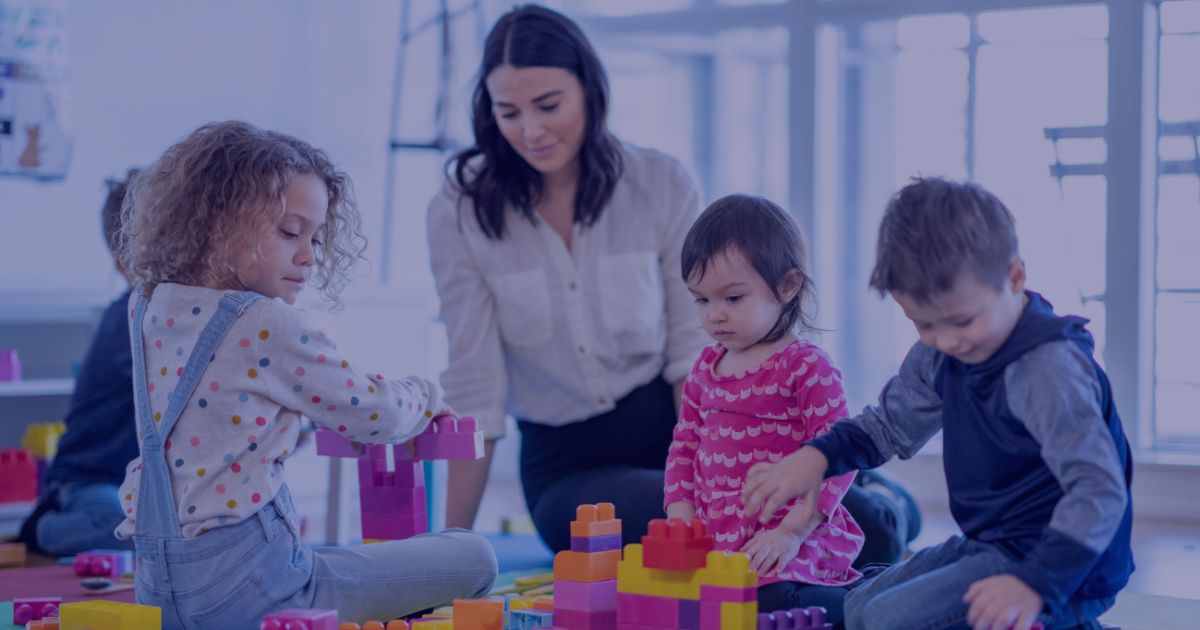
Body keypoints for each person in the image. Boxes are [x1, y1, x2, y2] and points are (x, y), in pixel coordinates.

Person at [428, 3, 918, 561]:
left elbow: (696, 346)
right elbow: (474, 387)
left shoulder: (657, 182)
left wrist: (720, 474)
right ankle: (870, 497)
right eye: (508, 112)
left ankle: (875, 495)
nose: (531, 130)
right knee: (698, 542)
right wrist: (453, 551)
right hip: (571, 468)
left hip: (691, 431)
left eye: (548, 105)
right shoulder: (458, 211)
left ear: (590, 90)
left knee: (853, 527)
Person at [115, 121, 496, 628]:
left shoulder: (148, 305)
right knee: (475, 555)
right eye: (290, 232)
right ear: (216, 222)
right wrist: (424, 397)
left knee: (336, 556)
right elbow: (375, 414)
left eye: (316, 239)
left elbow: (212, 423)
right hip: (258, 593)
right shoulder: (264, 320)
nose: (308, 257)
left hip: (159, 595)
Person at [743, 177, 1133, 630]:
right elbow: (889, 426)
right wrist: (816, 457)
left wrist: (1034, 584)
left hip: (1063, 568)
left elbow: (1098, 491)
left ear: (1014, 277)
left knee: (889, 620)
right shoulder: (943, 350)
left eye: (961, 320)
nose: (945, 340)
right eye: (923, 324)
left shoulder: (1046, 369)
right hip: (995, 544)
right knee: (861, 607)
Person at [664, 195, 862, 622]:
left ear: (787, 286)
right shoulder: (704, 368)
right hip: (723, 542)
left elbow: (841, 455)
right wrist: (680, 520)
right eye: (701, 300)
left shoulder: (805, 366)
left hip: (791, 534)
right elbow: (684, 448)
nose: (714, 315)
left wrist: (792, 532)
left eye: (733, 298)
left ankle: (879, 600)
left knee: (773, 605)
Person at [19, 171, 140, 556]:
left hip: (136, 488)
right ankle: (40, 530)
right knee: (121, 530)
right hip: (89, 480)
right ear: (124, 264)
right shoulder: (126, 319)